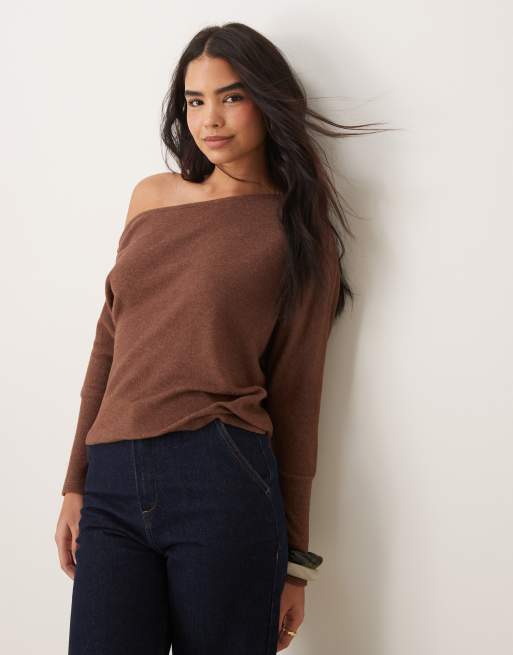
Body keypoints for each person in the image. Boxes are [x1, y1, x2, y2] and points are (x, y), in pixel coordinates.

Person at [55, 21, 381, 655]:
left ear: (267, 100)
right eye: (195, 100)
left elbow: (297, 396)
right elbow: (109, 344)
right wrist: (76, 482)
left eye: (232, 97)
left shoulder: (295, 231)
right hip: (113, 480)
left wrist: (296, 562)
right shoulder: (151, 198)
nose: (211, 119)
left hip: (221, 474)